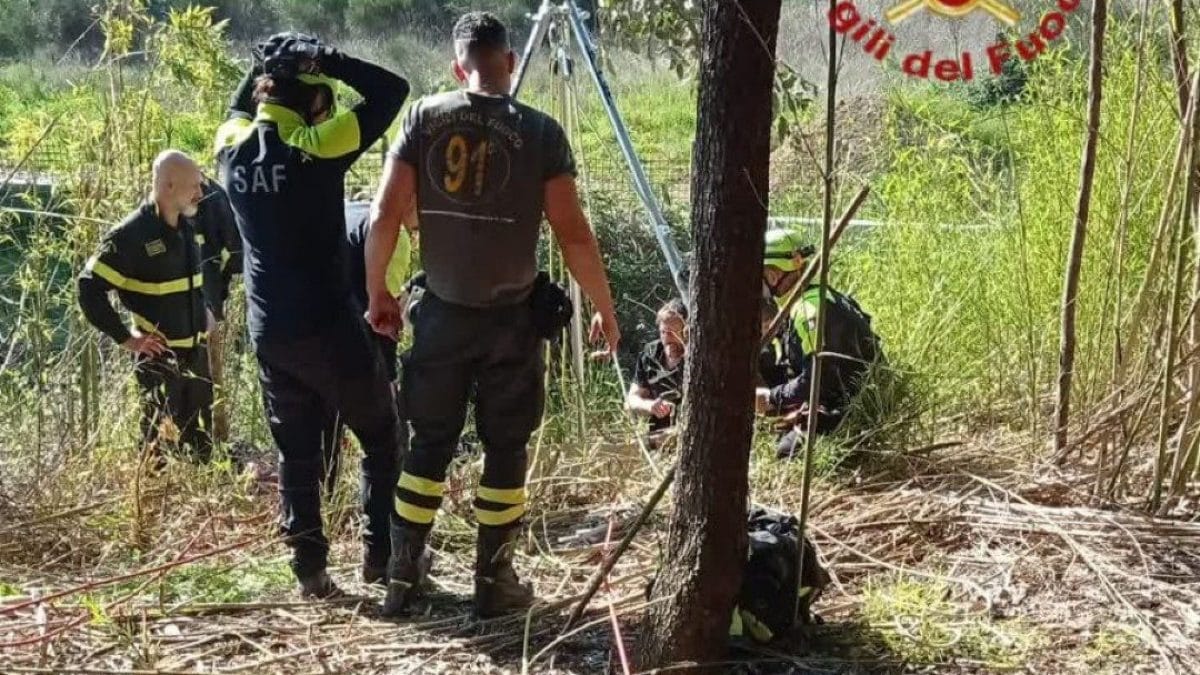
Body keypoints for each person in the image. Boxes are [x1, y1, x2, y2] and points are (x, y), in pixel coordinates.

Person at [365, 11, 620, 618]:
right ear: (508, 62)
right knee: (506, 448)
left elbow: (382, 215)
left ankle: (403, 573)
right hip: (510, 321)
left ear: (459, 67)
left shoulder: (423, 118)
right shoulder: (541, 133)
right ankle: (493, 578)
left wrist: (378, 293)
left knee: (428, 442)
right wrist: (604, 309)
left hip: (442, 315)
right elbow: (574, 235)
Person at [214, 32, 410, 598]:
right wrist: (327, 59)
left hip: (268, 331)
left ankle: (310, 571)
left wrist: (265, 64)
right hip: (327, 325)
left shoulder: (231, 148)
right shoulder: (318, 148)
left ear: (260, 97)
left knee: (297, 452)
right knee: (380, 434)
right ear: (318, 107)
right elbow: (390, 91)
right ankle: (379, 555)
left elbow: (239, 107)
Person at [78, 150, 214, 463]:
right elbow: (89, 288)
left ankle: (201, 505)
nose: (200, 192)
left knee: (201, 447)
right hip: (159, 362)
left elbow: (189, 282)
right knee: (157, 450)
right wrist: (127, 338)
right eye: (193, 185)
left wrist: (204, 308)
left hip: (196, 355)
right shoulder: (130, 236)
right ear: (168, 186)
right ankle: (151, 505)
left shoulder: (188, 225)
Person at [317, 201, 414, 495]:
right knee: (387, 442)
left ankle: (321, 513)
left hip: (308, 343)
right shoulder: (393, 235)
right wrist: (390, 377)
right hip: (356, 348)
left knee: (321, 443)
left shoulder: (346, 211)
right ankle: (392, 522)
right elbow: (384, 319)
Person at [756, 228, 879, 458]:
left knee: (785, 452)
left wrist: (771, 398)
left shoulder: (806, 311)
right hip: (854, 400)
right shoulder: (823, 296)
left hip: (849, 412)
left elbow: (816, 379)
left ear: (773, 276)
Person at [195, 176, 243, 444]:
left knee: (207, 382)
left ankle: (212, 447)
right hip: (168, 313)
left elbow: (234, 251)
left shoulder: (212, 196)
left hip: (205, 308)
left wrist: (214, 297)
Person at [625, 298, 687, 437]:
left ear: (687, 331)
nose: (667, 338)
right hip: (657, 436)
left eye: (673, 332)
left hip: (687, 435)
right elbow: (631, 400)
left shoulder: (697, 359)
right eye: (663, 332)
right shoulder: (650, 355)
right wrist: (650, 406)